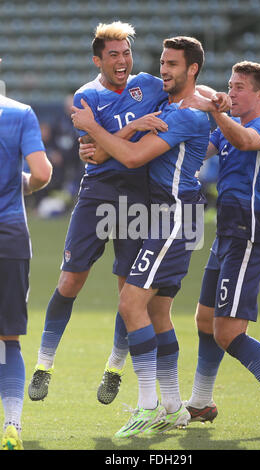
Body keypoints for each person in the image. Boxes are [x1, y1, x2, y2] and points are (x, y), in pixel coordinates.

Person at [71, 36, 212, 438]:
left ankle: (148, 406)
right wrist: (95, 147)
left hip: (173, 215)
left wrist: (92, 127)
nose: (164, 70)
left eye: (173, 65)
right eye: (163, 62)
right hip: (164, 216)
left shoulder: (185, 114)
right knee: (157, 312)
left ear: (192, 70)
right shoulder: (172, 105)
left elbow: (132, 157)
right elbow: (110, 152)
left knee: (131, 302)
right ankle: (173, 407)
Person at [27, 21, 171, 402]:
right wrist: (135, 127)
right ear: (98, 60)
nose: (122, 60)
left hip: (139, 193)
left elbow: (186, 92)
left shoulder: (151, 86)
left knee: (129, 292)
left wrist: (215, 100)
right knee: (70, 281)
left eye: (126, 53)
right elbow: (100, 153)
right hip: (99, 192)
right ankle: (44, 364)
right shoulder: (85, 97)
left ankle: (114, 368)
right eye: (114, 55)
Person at [179, 61, 260, 434]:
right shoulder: (228, 126)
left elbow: (244, 141)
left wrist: (216, 111)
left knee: (229, 332)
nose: (231, 92)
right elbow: (200, 151)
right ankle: (200, 402)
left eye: (240, 87)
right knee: (204, 319)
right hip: (226, 236)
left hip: (248, 235)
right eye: (230, 86)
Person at [0, 57, 52, 450]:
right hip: (10, 239)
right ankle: (12, 425)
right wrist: (24, 184)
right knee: (7, 340)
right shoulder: (20, 113)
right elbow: (43, 173)